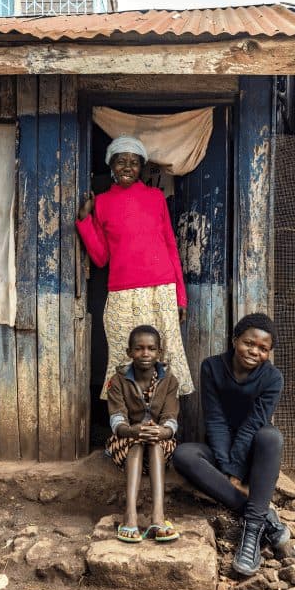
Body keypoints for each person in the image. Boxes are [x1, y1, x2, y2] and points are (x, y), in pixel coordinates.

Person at [171, 313, 291, 575]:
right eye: (249, 343)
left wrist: (236, 472)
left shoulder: (273, 378)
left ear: (269, 353)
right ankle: (262, 519)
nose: (254, 351)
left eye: (263, 349)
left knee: (270, 436)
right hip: (219, 450)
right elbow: (215, 420)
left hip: (254, 457)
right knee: (183, 455)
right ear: (235, 339)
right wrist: (226, 466)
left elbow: (253, 424)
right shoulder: (211, 367)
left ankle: (250, 535)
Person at [76, 135, 194, 399]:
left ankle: (164, 425)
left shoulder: (155, 197)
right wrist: (85, 221)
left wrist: (180, 296)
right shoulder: (103, 203)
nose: (127, 167)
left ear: (142, 167)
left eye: (134, 162)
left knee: (165, 354)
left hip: (160, 289)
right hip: (122, 293)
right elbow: (100, 258)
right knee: (123, 354)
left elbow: (171, 248)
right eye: (121, 161)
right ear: (111, 165)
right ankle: (125, 425)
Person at [105, 325, 180, 543]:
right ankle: (130, 516)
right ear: (130, 352)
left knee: (154, 442)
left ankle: (158, 515)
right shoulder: (118, 380)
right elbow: (117, 419)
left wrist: (162, 431)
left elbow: (171, 418)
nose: (145, 354)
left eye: (151, 349)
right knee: (137, 442)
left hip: (159, 444)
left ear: (159, 352)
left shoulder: (169, 381)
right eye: (139, 349)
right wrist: (133, 431)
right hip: (126, 442)